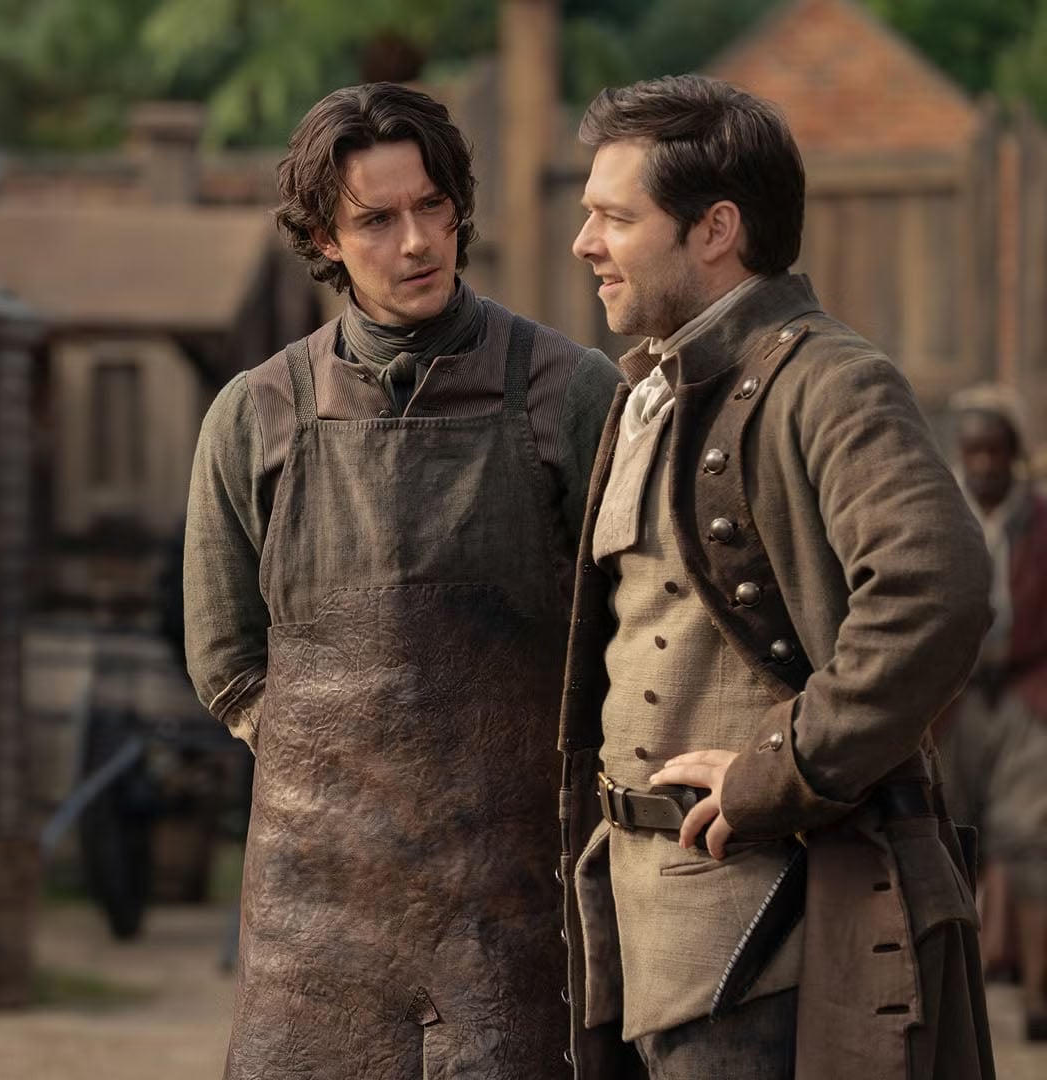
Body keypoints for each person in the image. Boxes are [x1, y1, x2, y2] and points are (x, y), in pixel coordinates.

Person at [183, 81, 620, 1078]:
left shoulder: (570, 392)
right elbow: (224, 658)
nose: (416, 241)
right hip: (317, 904)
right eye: (377, 220)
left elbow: (627, 634)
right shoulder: (254, 418)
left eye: (431, 207)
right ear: (324, 239)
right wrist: (344, 768)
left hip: (518, 888)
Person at [559, 74, 992, 1078]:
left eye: (614, 217)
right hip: (633, 929)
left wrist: (786, 770)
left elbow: (937, 587)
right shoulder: (645, 394)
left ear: (715, 230)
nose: (585, 242)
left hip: (766, 938)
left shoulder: (833, 381)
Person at [938, 387, 1047, 1041]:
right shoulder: (940, 509)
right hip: (951, 699)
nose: (982, 463)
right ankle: (955, 1003)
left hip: (1025, 695)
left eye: (993, 451)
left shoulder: (1037, 520)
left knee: (1032, 843)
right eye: (972, 450)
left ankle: (1038, 997)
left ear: (1013, 455)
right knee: (950, 843)